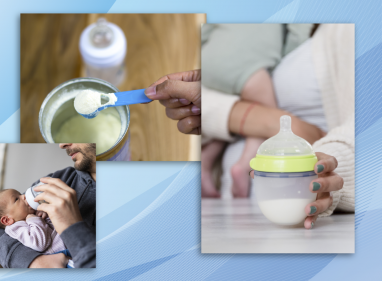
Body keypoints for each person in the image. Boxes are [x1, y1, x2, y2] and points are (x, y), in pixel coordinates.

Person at [146, 24, 355, 229]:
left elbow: (363, 141)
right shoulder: (285, 36)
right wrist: (246, 117)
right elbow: (202, 100)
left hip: (267, 216)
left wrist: (332, 170)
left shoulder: (346, 30)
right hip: (223, 211)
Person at [0, 143, 96, 268]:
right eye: (17, 198)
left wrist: (70, 226)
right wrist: (34, 262)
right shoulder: (62, 178)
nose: (61, 144)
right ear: (7, 220)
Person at [0, 189, 72, 268]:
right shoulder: (15, 228)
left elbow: (53, 226)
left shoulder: (31, 214)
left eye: (20, 194)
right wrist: (34, 219)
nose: (24, 196)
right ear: (7, 220)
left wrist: (45, 214)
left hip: (71, 244)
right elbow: (39, 244)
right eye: (17, 199)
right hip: (59, 256)